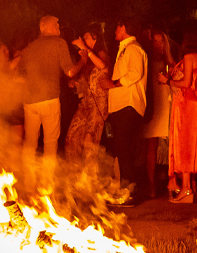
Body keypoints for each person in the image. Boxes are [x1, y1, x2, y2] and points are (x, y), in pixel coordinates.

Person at [162, 30, 197, 203]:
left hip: (186, 104)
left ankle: (186, 189)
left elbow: (186, 83)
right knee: (194, 147)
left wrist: (168, 81)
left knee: (184, 147)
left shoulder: (188, 57)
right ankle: (191, 186)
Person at [17, 16, 79, 163]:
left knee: (30, 143)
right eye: (56, 25)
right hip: (49, 100)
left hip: (30, 102)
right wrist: (83, 59)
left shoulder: (29, 48)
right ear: (46, 27)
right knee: (50, 143)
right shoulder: (59, 43)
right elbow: (70, 72)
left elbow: (20, 76)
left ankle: (29, 180)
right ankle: (47, 183)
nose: (58, 27)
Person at [103, 20, 149, 206]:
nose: (114, 30)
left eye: (117, 26)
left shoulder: (133, 49)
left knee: (124, 150)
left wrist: (113, 84)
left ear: (123, 27)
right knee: (122, 150)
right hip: (121, 105)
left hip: (128, 105)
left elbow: (135, 73)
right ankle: (126, 191)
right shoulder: (126, 48)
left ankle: (129, 193)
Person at [64, 24, 109, 161]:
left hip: (98, 104)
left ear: (95, 39)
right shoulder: (86, 59)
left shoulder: (100, 53)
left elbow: (103, 67)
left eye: (87, 38)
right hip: (85, 104)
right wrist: (75, 83)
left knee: (90, 139)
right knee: (72, 136)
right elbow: (84, 82)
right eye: (83, 39)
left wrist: (87, 50)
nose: (83, 41)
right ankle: (74, 172)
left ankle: (90, 177)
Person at [142, 30, 176, 197]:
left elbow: (177, 77)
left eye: (160, 41)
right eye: (154, 40)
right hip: (152, 104)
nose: (157, 44)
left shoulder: (168, 60)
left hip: (165, 103)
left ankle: (172, 182)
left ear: (165, 43)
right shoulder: (146, 58)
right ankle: (151, 184)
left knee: (171, 145)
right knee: (150, 145)